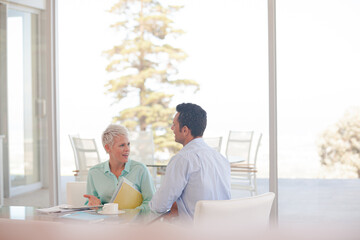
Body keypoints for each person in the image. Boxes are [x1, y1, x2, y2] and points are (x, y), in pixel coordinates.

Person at [149, 103, 231, 221]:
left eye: (174, 125)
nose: (172, 128)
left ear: (185, 130)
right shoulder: (221, 159)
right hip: (221, 230)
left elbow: (159, 206)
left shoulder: (183, 159)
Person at [84, 124, 155, 210]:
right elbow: (90, 203)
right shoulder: (94, 173)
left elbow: (151, 202)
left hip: (135, 222)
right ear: (107, 148)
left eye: (128, 144)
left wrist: (130, 214)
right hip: (104, 221)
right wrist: (93, 205)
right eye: (122, 145)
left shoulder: (140, 169)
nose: (127, 149)